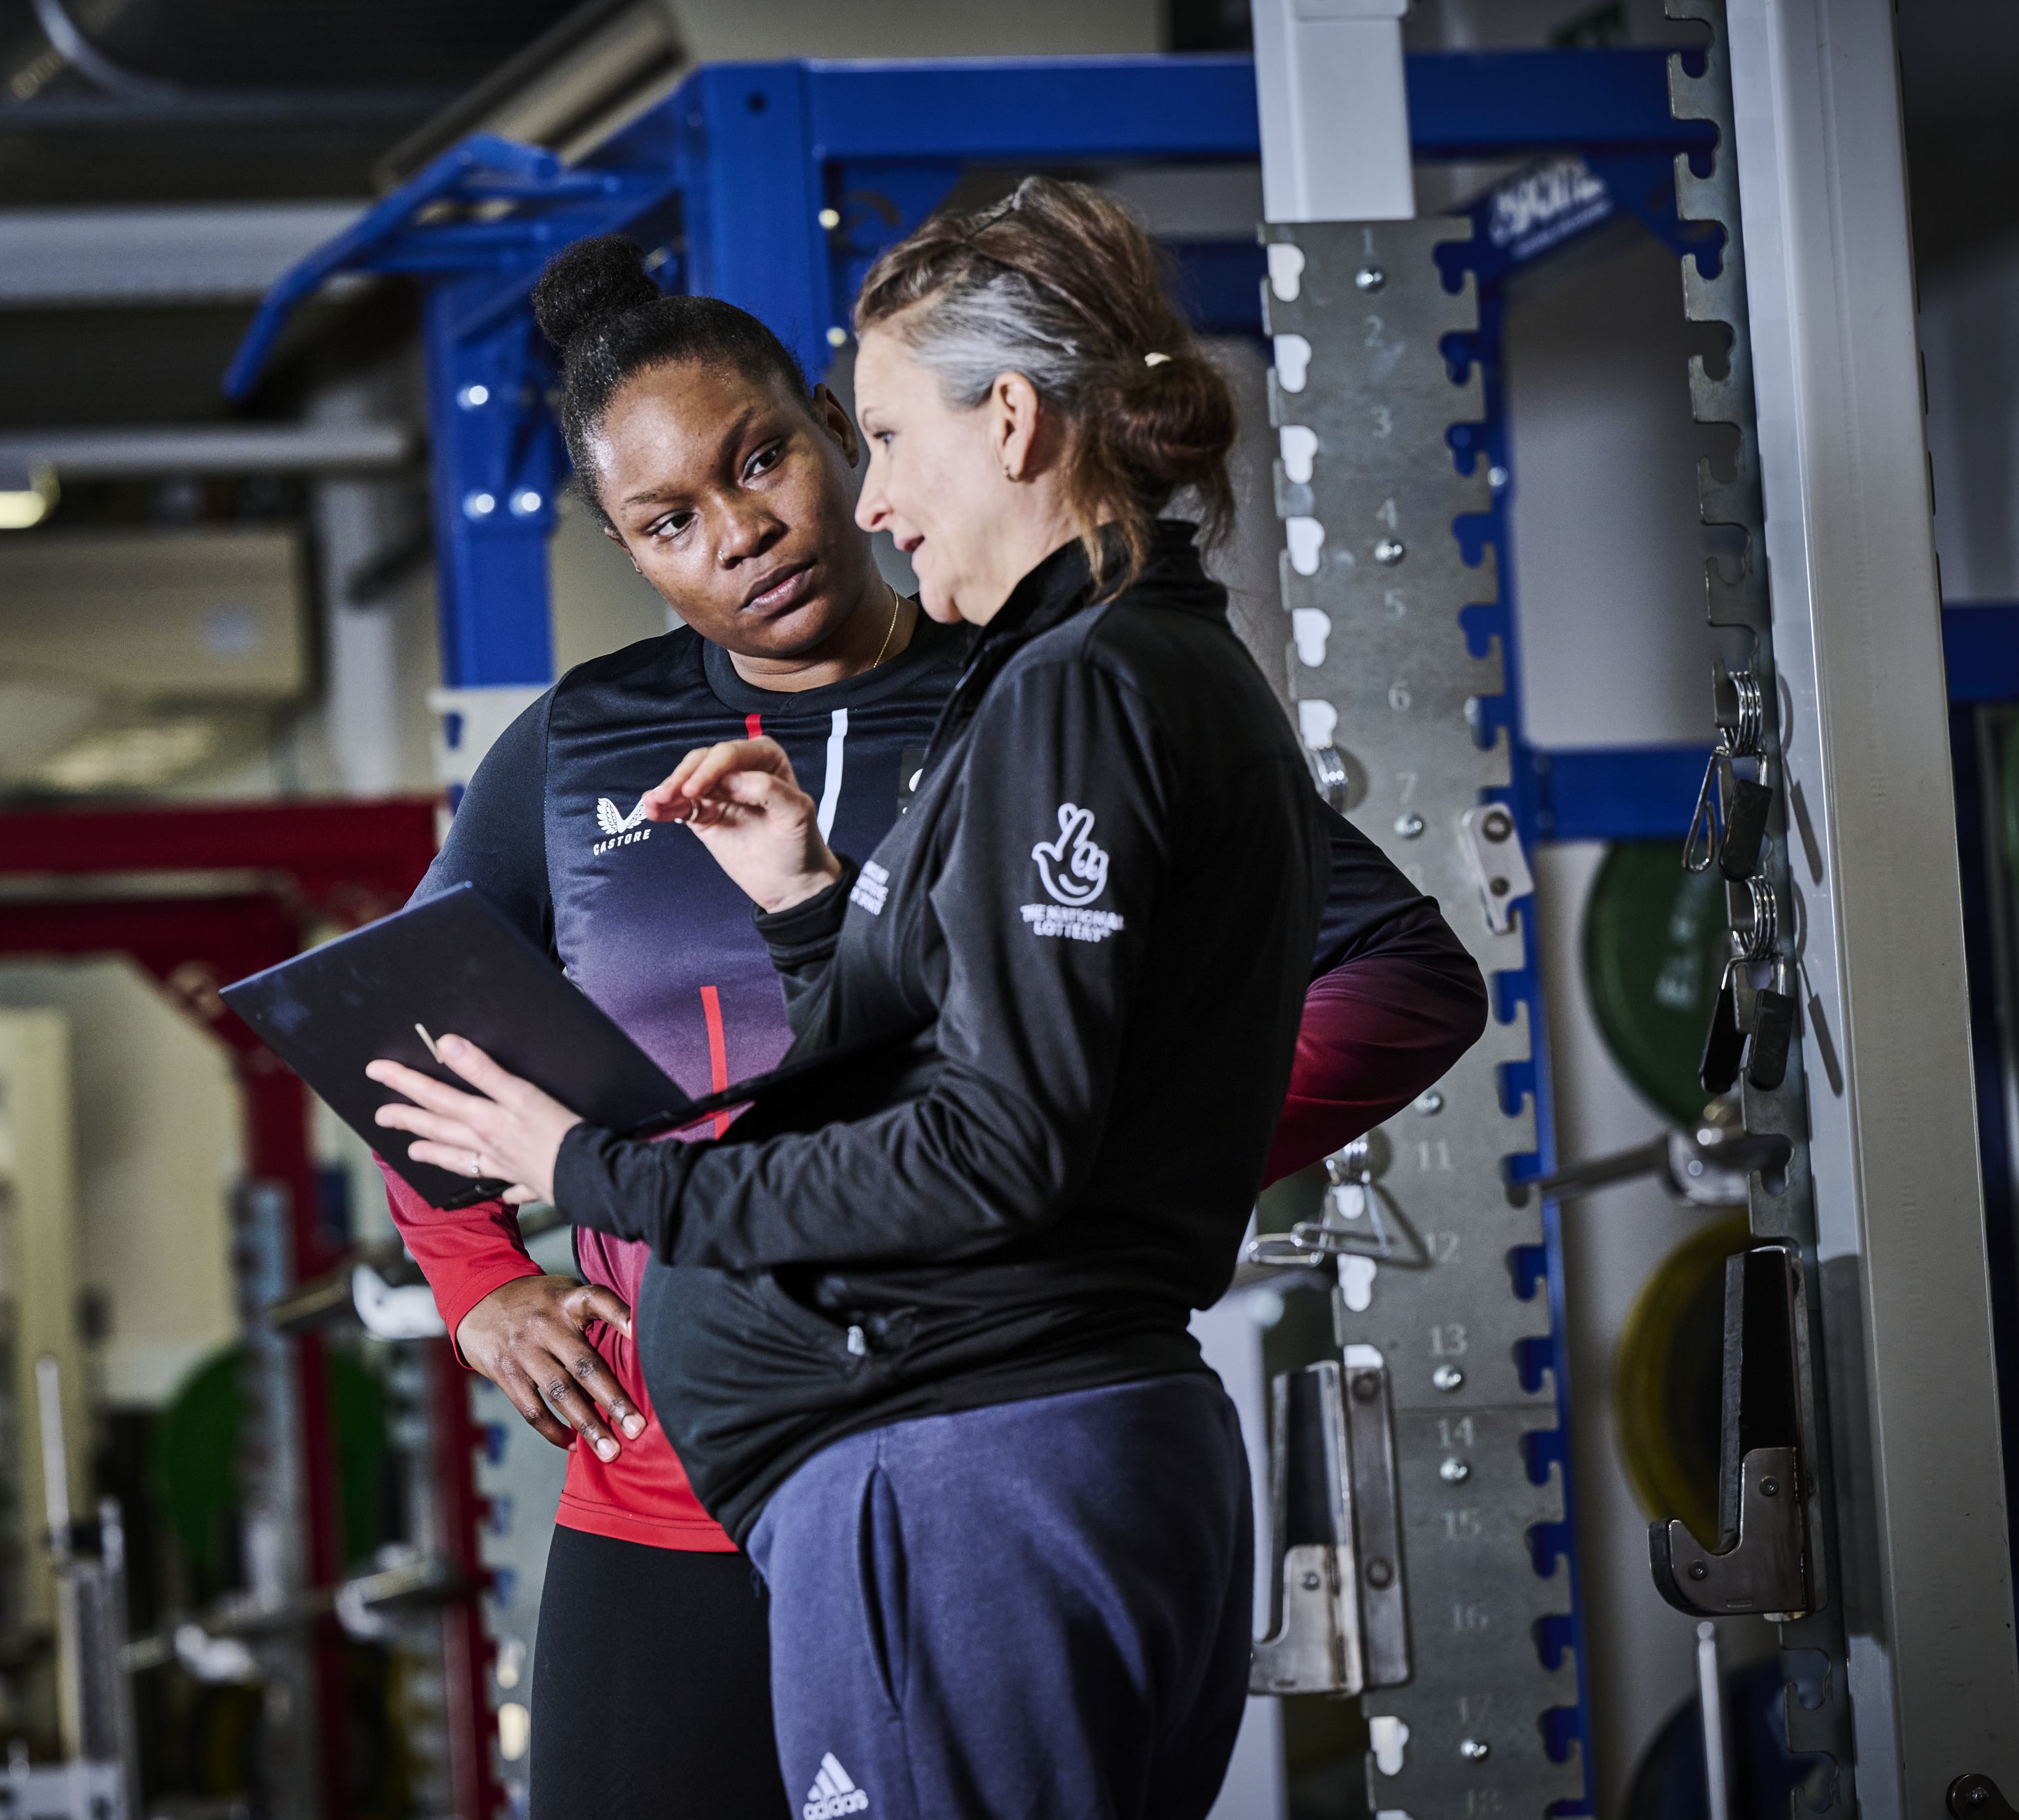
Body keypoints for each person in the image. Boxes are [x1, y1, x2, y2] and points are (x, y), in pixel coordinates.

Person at [374, 200, 1485, 1820]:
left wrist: (1107, 1151)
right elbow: (410, 1034)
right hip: (673, 1476)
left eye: (765, 462)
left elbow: (1388, 984)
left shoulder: (1034, 684)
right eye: (669, 520)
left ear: (832, 432)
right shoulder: (577, 747)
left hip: (942, 1428)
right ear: (625, 550)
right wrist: (482, 1287)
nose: (740, 531)